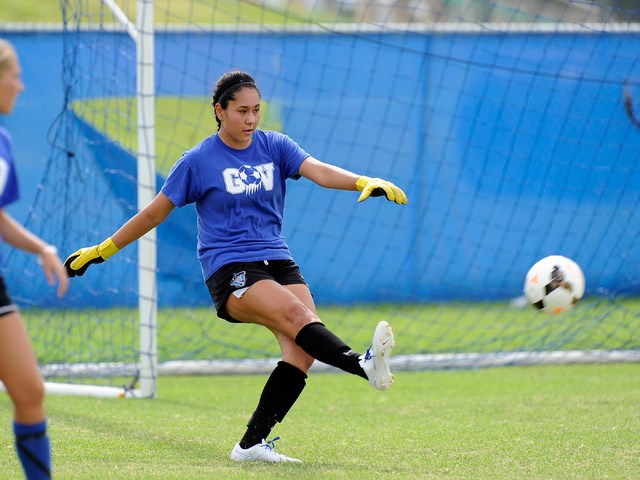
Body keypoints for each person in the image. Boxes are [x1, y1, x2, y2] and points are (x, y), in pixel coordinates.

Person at [64, 70, 407, 463]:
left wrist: (362, 180)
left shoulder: (275, 145)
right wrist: (101, 250)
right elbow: (152, 215)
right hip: (230, 268)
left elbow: (319, 170)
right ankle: (361, 364)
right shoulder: (197, 161)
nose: (251, 119)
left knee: (300, 352)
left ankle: (250, 445)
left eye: (256, 110)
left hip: (278, 259)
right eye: (242, 110)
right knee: (298, 316)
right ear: (219, 111)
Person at [0, 39, 69, 479]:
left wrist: (42, 248)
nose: (22, 86)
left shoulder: (3, 142)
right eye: (14, 75)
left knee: (29, 389)